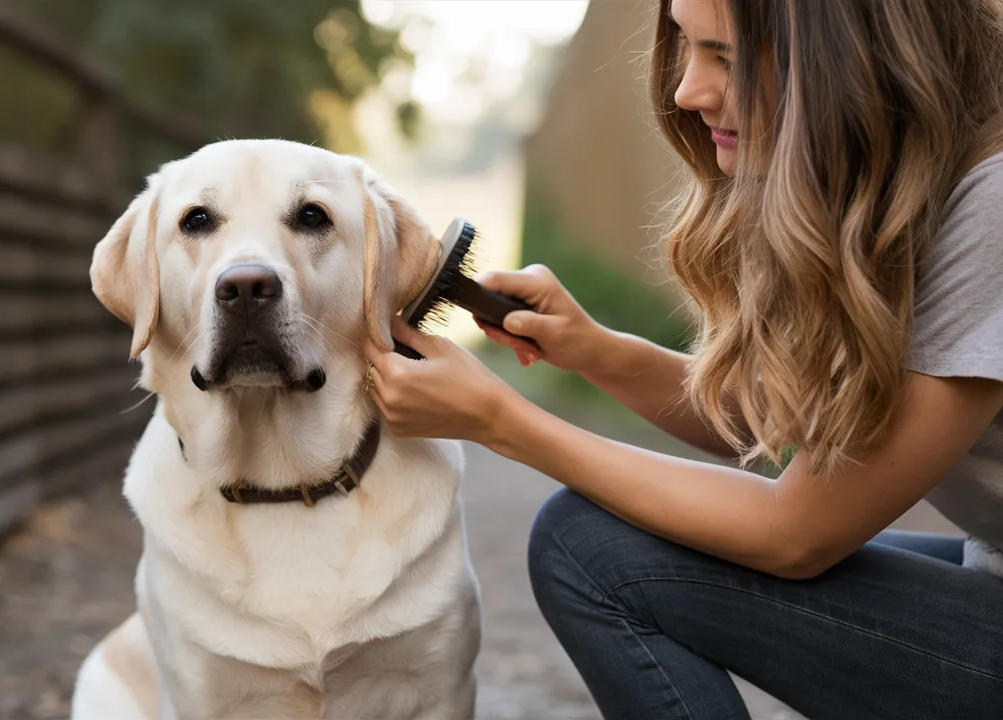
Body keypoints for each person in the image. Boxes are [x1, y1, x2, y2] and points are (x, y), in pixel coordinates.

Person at [361, 0, 1003, 717]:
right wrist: (599, 353)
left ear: (851, 57)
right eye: (687, 48)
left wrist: (502, 421)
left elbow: (799, 533)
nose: (685, 91)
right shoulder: (926, 183)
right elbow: (791, 431)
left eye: (725, 56)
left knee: (590, 548)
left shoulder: (993, 204)